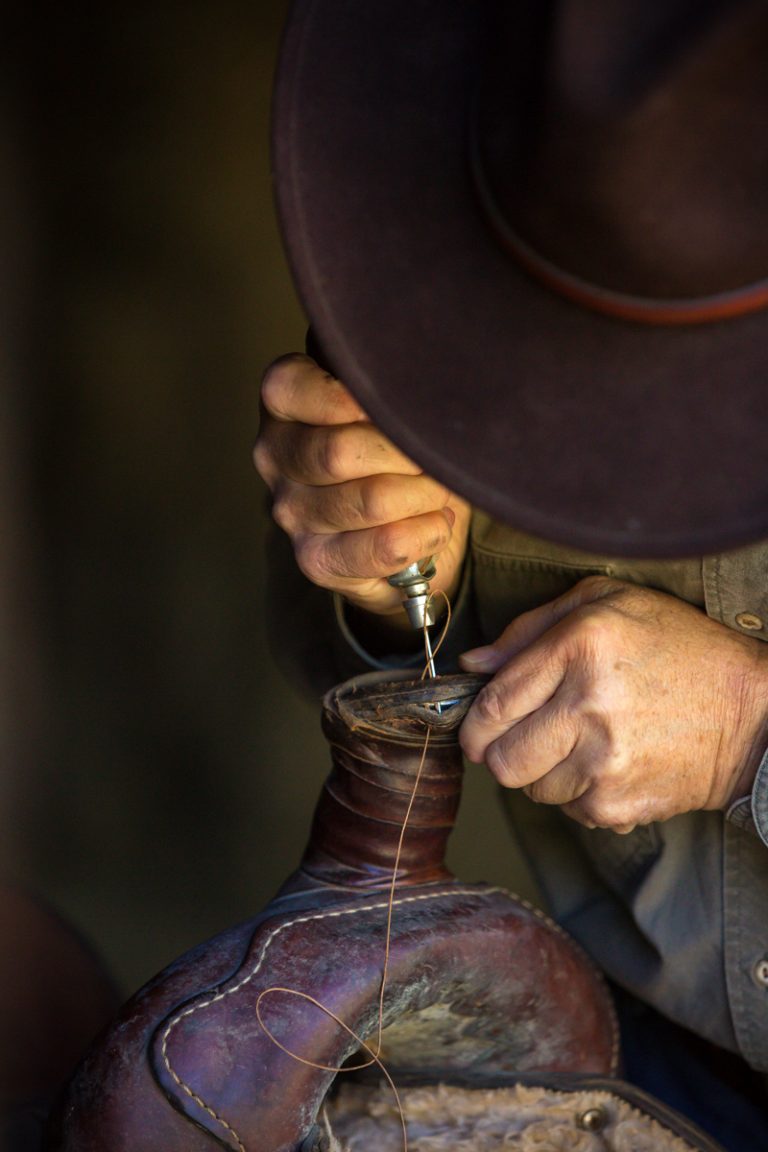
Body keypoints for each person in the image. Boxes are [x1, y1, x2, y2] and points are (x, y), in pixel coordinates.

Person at [258, 3, 768, 1146]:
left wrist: (749, 732)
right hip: (654, 1054)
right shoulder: (487, 216)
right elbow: (365, 628)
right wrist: (381, 578)